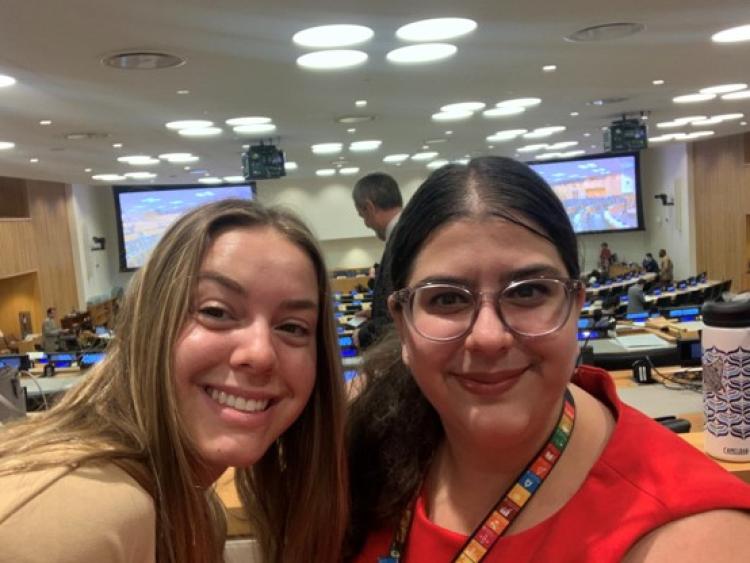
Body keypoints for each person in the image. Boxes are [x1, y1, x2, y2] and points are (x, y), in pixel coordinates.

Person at [346, 157, 750, 562]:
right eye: (447, 298)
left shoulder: (697, 536)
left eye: (527, 291)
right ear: (402, 323)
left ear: (575, 305)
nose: (489, 337)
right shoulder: (358, 456)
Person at [0, 200, 348, 563]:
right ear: (150, 323)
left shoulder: (194, 509)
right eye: (216, 312)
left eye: (293, 327)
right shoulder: (77, 519)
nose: (260, 354)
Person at [351, 172, 403, 351]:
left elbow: (401, 312)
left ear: (369, 208)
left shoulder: (400, 243)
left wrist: (364, 334)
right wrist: (373, 314)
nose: (366, 224)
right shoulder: (406, 235)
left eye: (362, 216)